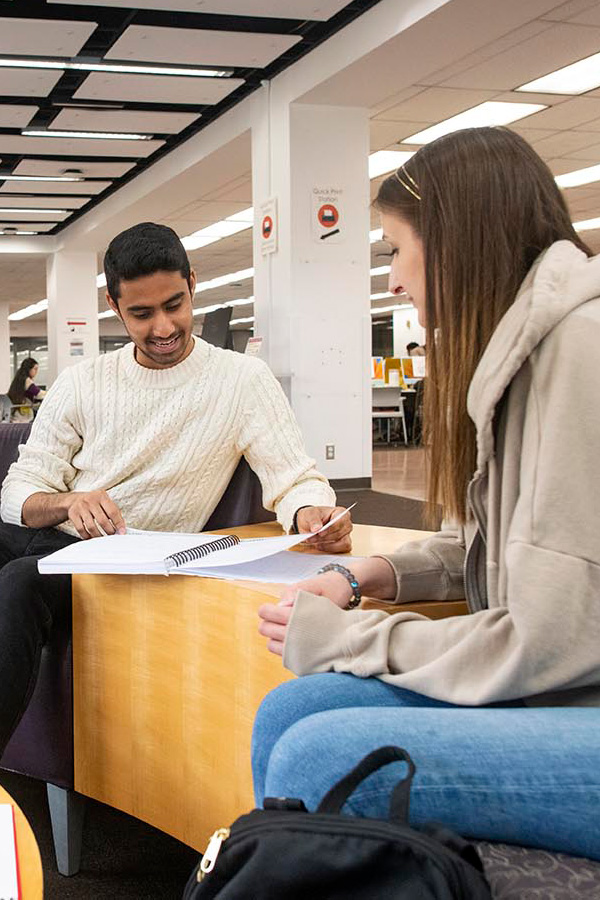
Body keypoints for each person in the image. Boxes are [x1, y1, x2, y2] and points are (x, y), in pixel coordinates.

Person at [254, 127, 600, 861]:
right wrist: (367, 574)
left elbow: (548, 642)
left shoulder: (581, 352)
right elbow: (493, 544)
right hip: (569, 694)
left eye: (394, 250)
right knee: (292, 711)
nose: (392, 281)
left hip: (577, 698)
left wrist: (352, 639)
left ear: (454, 242)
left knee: (318, 756)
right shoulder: (523, 353)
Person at [0, 221, 352, 754]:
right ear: (115, 306)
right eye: (142, 314)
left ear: (192, 283)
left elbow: (294, 478)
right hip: (58, 539)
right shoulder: (82, 382)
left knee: (20, 582)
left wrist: (311, 512)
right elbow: (18, 493)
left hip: (130, 564)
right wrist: (69, 501)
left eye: (175, 305)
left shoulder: (242, 380)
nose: (164, 327)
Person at [7, 357, 46, 421]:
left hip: (16, 412)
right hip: (23, 414)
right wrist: (50, 393)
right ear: (29, 369)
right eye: (35, 369)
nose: (36, 372)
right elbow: (38, 393)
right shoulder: (27, 380)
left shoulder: (19, 379)